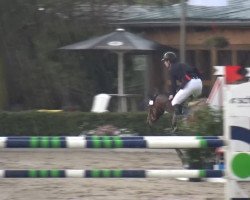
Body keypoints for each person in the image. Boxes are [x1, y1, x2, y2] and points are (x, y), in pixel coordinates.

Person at [161, 51, 203, 129]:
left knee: (174, 103)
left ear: (168, 61)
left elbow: (173, 85)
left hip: (191, 84)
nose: (164, 63)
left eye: (165, 61)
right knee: (190, 100)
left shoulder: (171, 69)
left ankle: (176, 127)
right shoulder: (182, 64)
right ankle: (191, 112)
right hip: (199, 82)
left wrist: (172, 95)